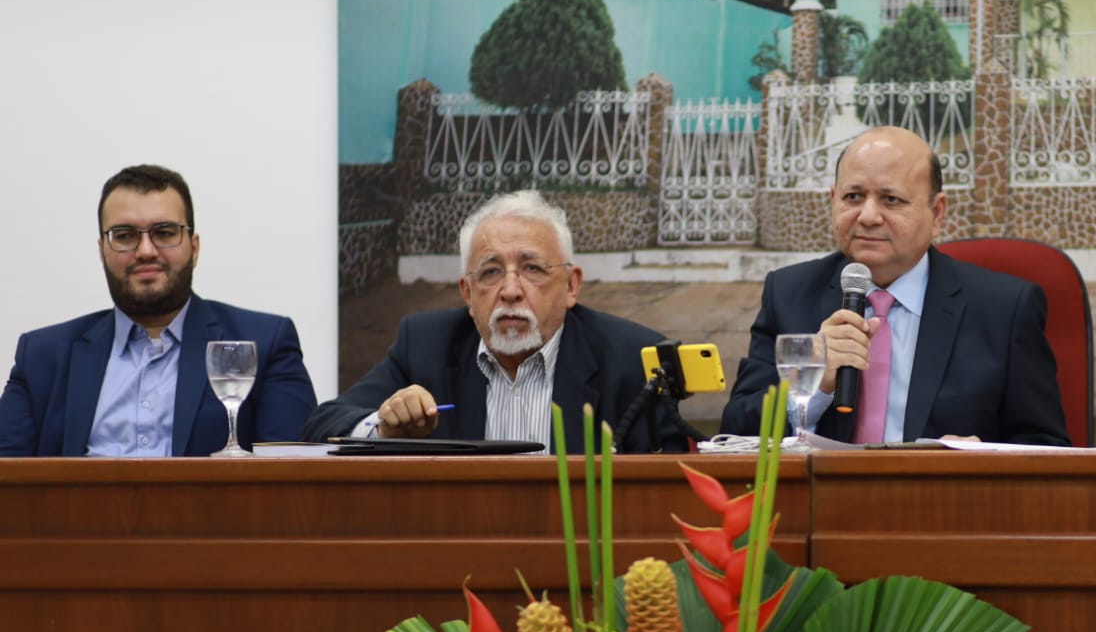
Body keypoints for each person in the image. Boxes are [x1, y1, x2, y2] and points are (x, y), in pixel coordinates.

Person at [720, 126, 1070, 445]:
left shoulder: (1004, 308)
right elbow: (735, 432)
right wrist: (813, 385)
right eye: (853, 197)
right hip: (821, 506)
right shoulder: (789, 294)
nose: (868, 216)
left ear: (937, 213)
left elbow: (1047, 446)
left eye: (891, 200)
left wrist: (982, 463)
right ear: (833, 200)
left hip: (942, 507)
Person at [302, 190, 688, 453]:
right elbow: (323, 425)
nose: (510, 290)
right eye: (489, 273)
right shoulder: (425, 346)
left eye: (532, 268)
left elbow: (669, 480)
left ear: (572, 286)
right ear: (468, 294)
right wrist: (383, 428)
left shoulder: (633, 359)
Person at [0, 164, 316, 457]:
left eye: (164, 233)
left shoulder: (264, 343)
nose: (146, 251)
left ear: (194, 247)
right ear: (102, 251)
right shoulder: (43, 356)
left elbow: (291, 481)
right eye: (124, 236)